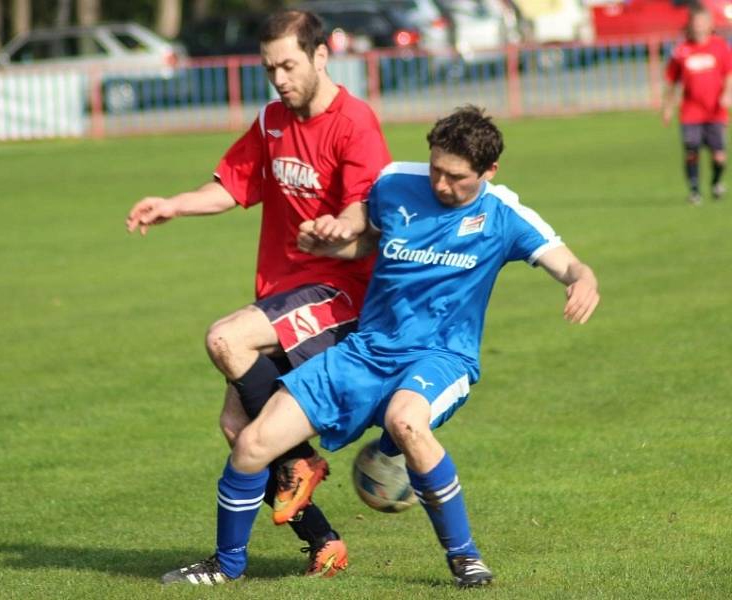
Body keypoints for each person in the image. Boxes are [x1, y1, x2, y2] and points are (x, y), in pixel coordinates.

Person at [170, 105, 600, 587]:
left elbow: (569, 264)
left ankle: (465, 558)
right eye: (436, 168)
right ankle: (226, 566)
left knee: (406, 420)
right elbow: (371, 243)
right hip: (365, 352)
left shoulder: (504, 215)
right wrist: (329, 247)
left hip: (441, 357)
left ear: (488, 171)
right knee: (251, 444)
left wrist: (582, 281)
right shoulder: (395, 183)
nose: (440, 184)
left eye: (455, 177)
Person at [125, 10, 391, 580]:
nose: (279, 79)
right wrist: (173, 203)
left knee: (225, 337)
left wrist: (341, 227)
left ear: (321, 57)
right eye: (270, 68)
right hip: (281, 297)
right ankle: (322, 541)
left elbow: (365, 210)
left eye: (289, 65)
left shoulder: (355, 122)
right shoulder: (272, 120)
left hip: (336, 293)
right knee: (240, 432)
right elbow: (230, 186)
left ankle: (235, 555)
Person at [662, 6, 732, 205]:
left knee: (719, 156)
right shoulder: (681, 51)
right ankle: (694, 191)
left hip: (715, 111)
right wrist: (667, 107)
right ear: (690, 25)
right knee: (691, 150)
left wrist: (727, 94)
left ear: (710, 25)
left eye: (702, 23)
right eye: (695, 23)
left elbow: (729, 73)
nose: (699, 27)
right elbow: (671, 80)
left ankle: (716, 182)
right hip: (691, 111)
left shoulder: (720, 47)